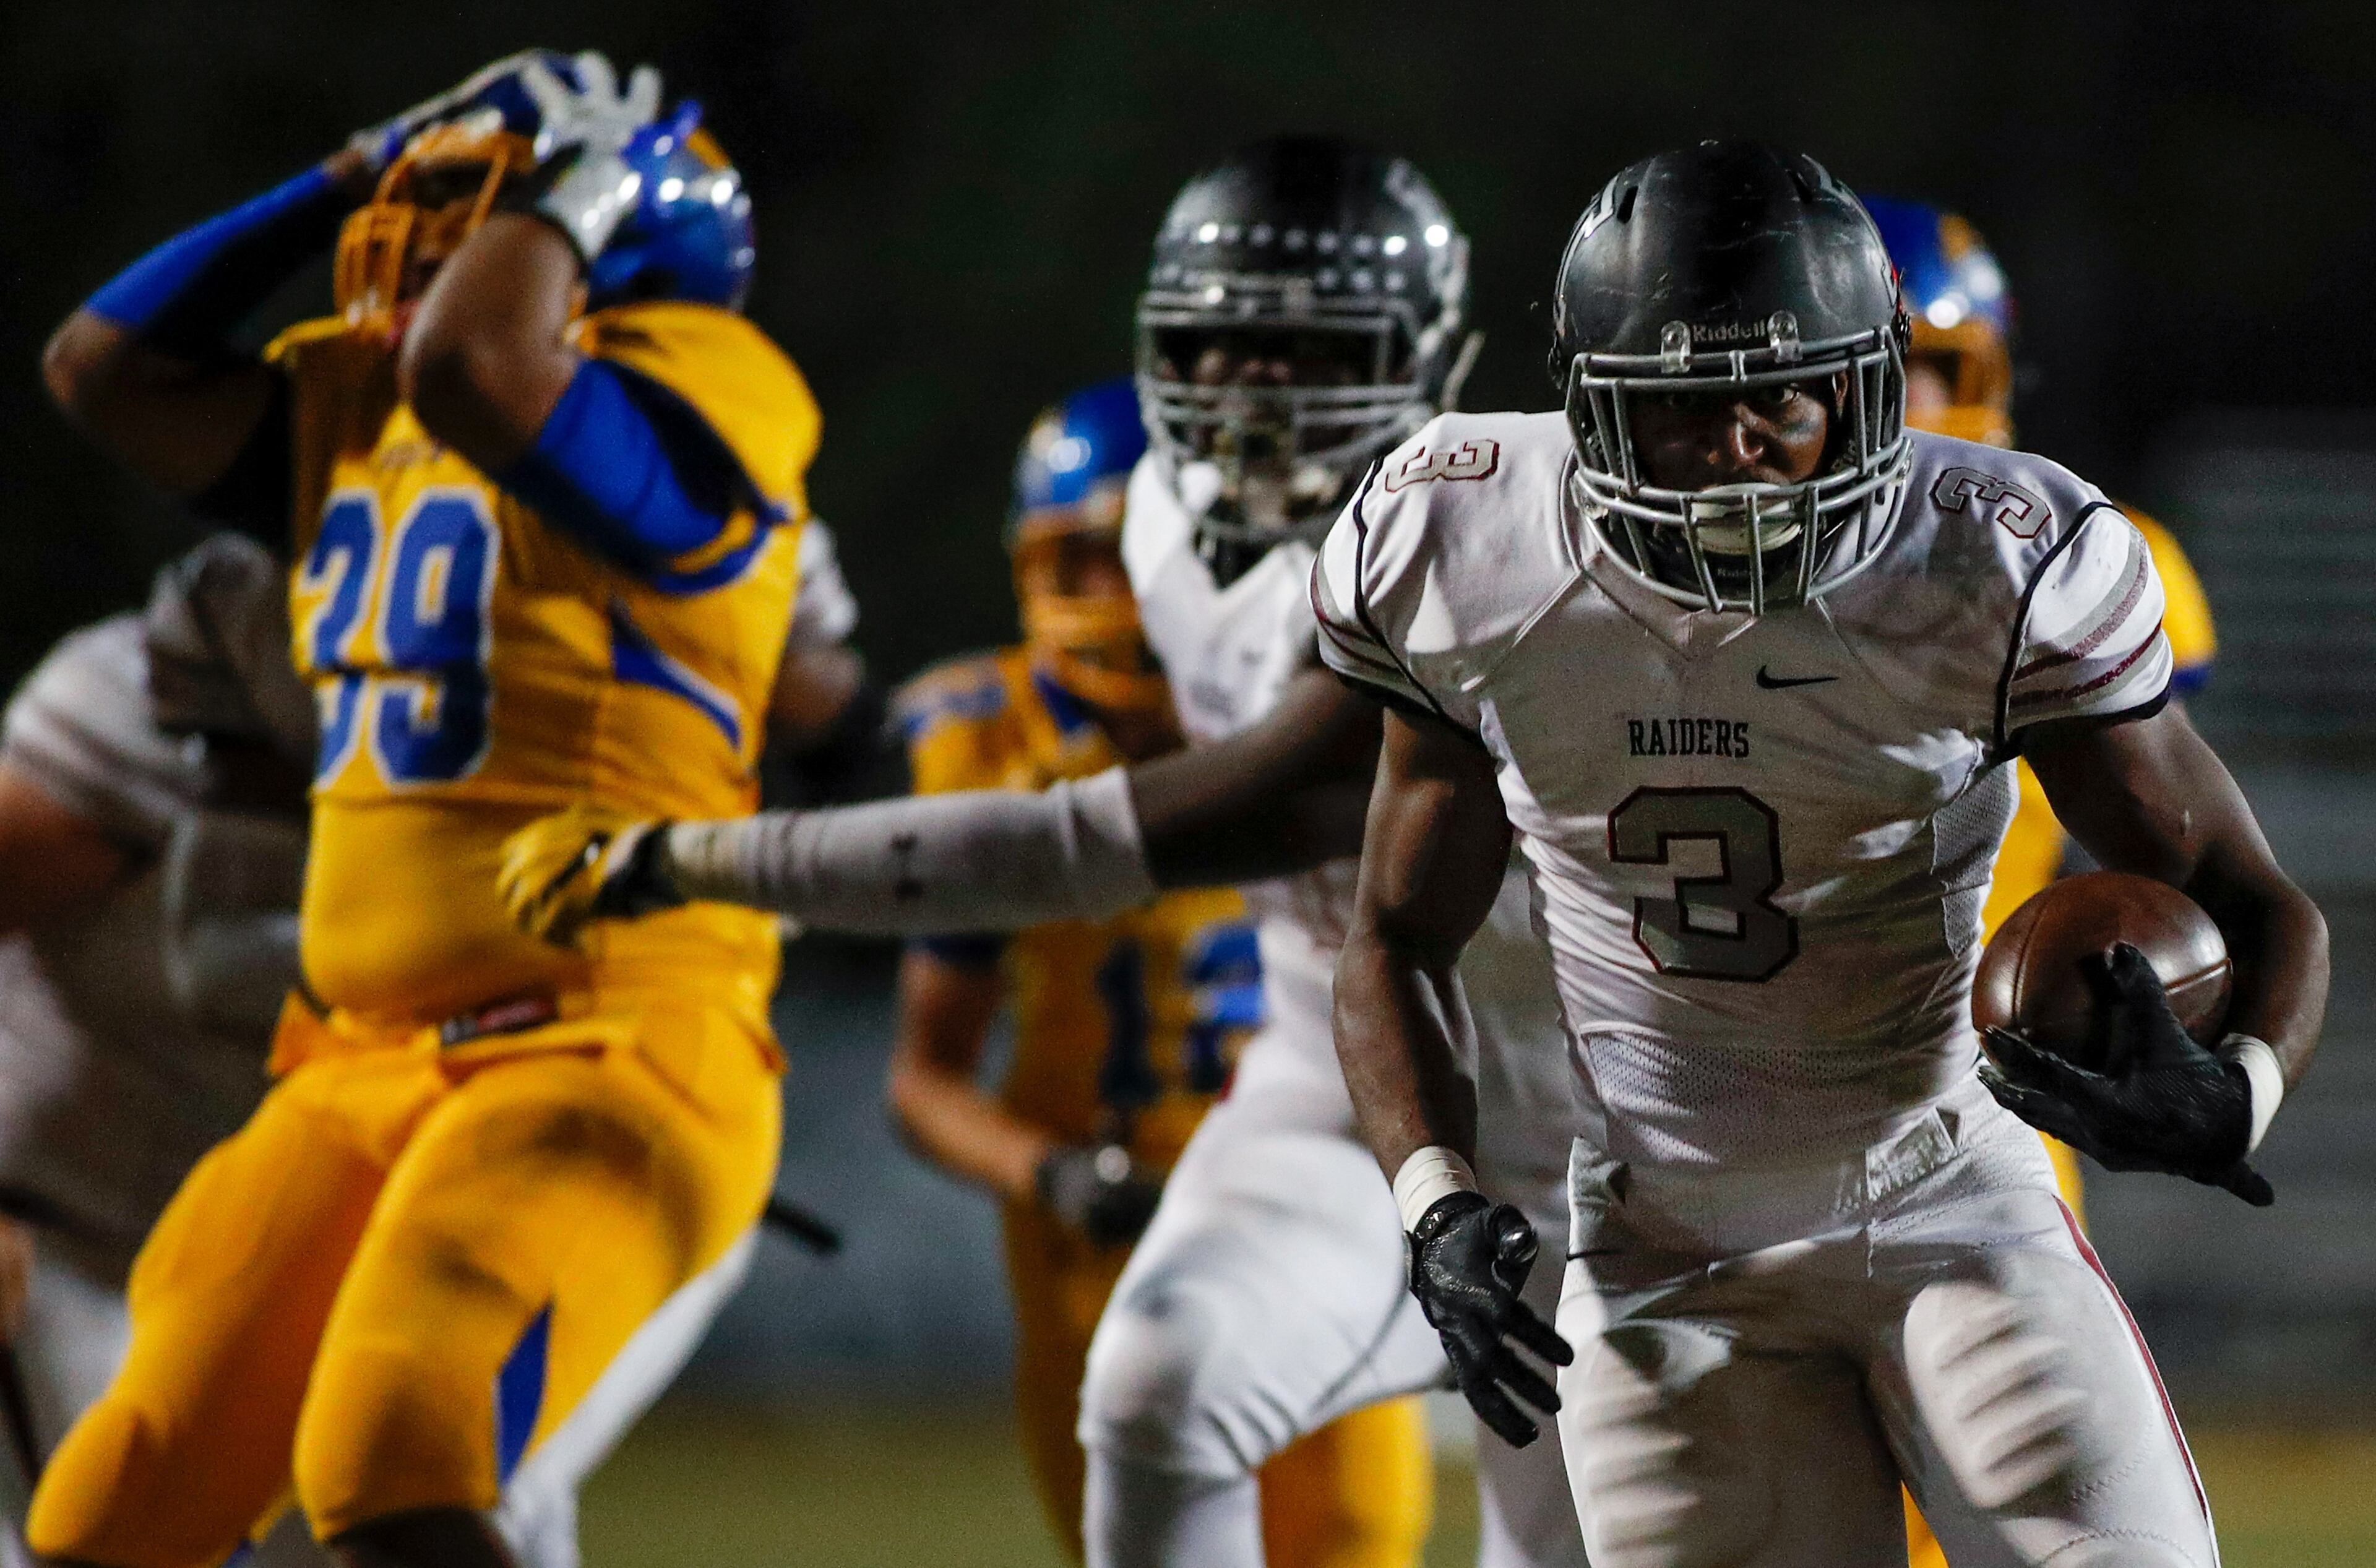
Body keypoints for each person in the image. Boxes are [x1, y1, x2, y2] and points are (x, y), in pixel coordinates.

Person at [503, 137, 1588, 1568]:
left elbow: (1109, 839)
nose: (1254, 388)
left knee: (1575, 1537)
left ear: (1429, 363)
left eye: (1304, 346)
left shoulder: (1477, 541)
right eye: (1216, 344)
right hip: (1337, 1084)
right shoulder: (1151, 521)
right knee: (1157, 1380)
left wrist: (710, 858)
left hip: (1586, 1117)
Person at [1309, 140, 2326, 1566]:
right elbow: (1392, 938)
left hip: (1952, 1203)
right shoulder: (1463, 539)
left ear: (1870, 384)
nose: (1740, 443)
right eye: (1687, 407)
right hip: (1665, 1250)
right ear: (1591, 409)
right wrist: (1436, 1202)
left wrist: (2243, 1088)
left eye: (1785, 394)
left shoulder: (1997, 555)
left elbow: (2254, 891)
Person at [29, 50, 820, 1568]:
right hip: (357, 1058)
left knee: (399, 1466)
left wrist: (597, 181)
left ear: (606, 226)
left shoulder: (703, 380)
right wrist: (331, 174)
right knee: (108, 1510)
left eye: (481, 203)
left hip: (612, 1032)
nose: (416, 228)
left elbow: (478, 369)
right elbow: (101, 367)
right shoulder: (373, 415)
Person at [886, 380, 1435, 1567]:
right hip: (1105, 1243)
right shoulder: (989, 742)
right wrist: (1059, 1174)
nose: (1110, 599)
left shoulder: (1322, 698)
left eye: (1127, 558)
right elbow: (923, 1078)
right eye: (1073, 564)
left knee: (1357, 1535)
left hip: (1314, 1207)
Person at [1863, 192, 2225, 1568]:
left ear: (1986, 378)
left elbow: (2176, 836)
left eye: (1924, 364)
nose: (1890, 402)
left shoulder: (2063, 554)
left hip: (1977, 1109)